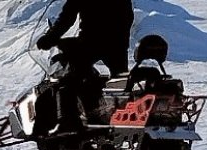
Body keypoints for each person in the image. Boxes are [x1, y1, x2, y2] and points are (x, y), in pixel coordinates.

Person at [34, 0, 134, 132]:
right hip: (117, 44)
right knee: (121, 82)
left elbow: (67, 17)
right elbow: (128, 16)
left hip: (91, 41)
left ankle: (68, 122)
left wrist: (50, 38)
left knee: (69, 80)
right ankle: (122, 116)